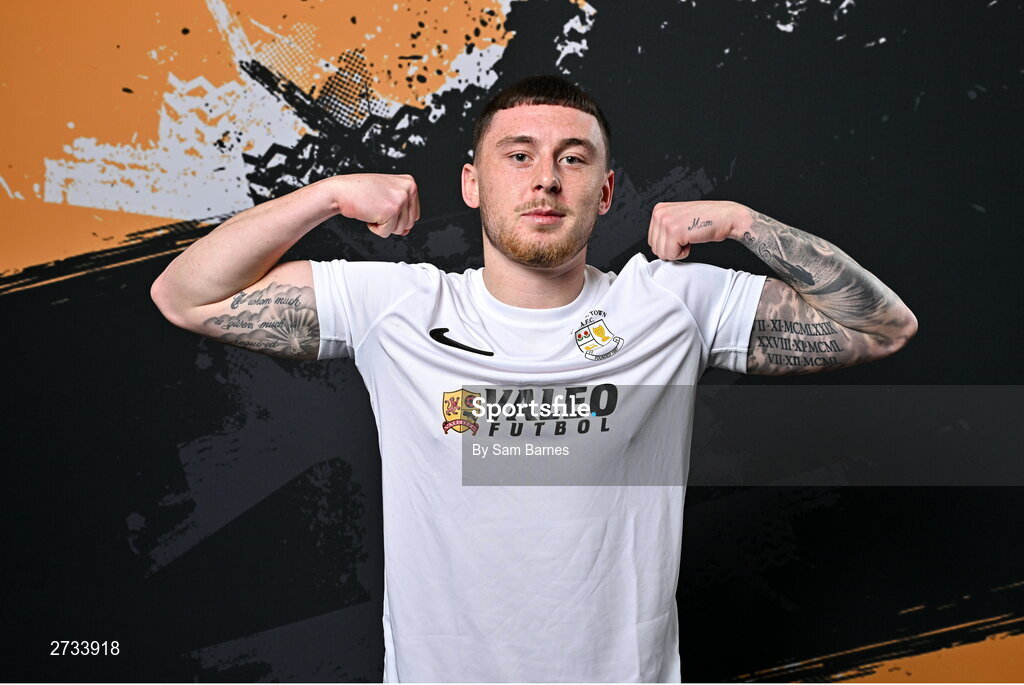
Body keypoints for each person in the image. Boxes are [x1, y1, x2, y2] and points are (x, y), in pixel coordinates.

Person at [151, 75, 917, 682]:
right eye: (518, 155)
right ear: (473, 183)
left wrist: (744, 223)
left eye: (572, 158)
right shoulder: (402, 308)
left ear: (607, 191)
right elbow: (185, 295)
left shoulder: (669, 304)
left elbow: (884, 329)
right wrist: (327, 197)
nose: (545, 179)